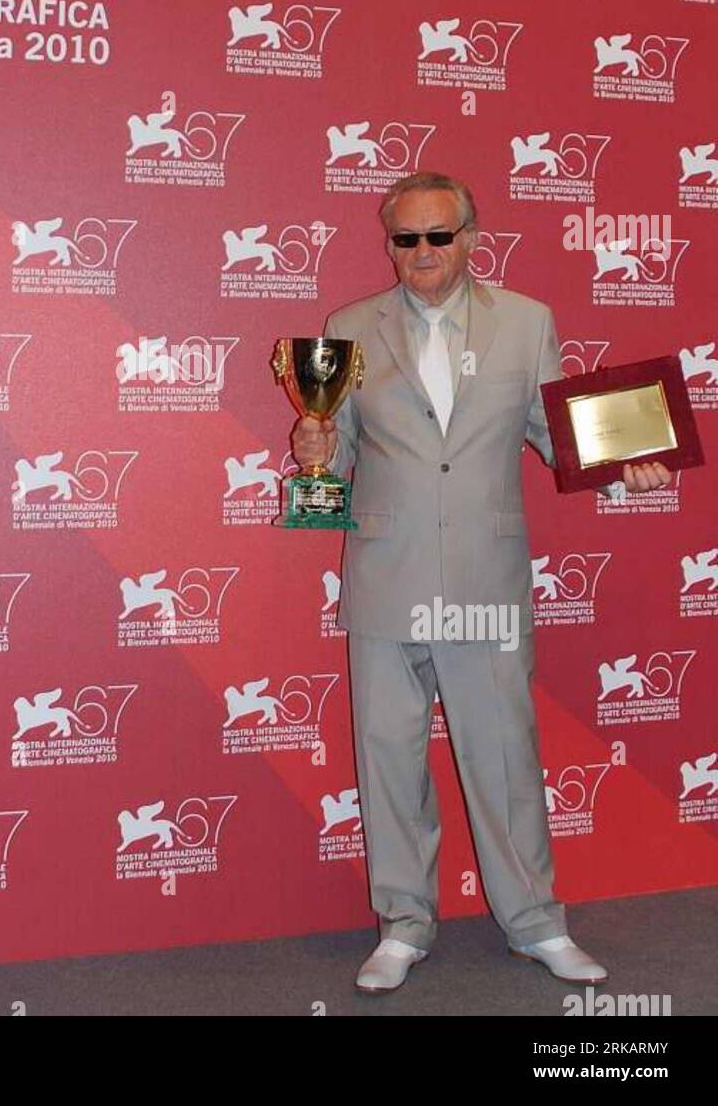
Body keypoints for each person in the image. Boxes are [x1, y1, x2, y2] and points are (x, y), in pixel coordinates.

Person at [291, 171, 670, 995]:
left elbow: (554, 431)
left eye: (438, 235)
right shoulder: (348, 328)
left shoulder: (526, 322)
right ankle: (403, 923)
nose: (421, 253)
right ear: (389, 242)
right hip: (386, 578)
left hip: (484, 581)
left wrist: (622, 466)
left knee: (503, 757)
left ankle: (536, 923)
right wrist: (314, 453)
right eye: (405, 239)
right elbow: (338, 451)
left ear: (470, 237)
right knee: (388, 757)